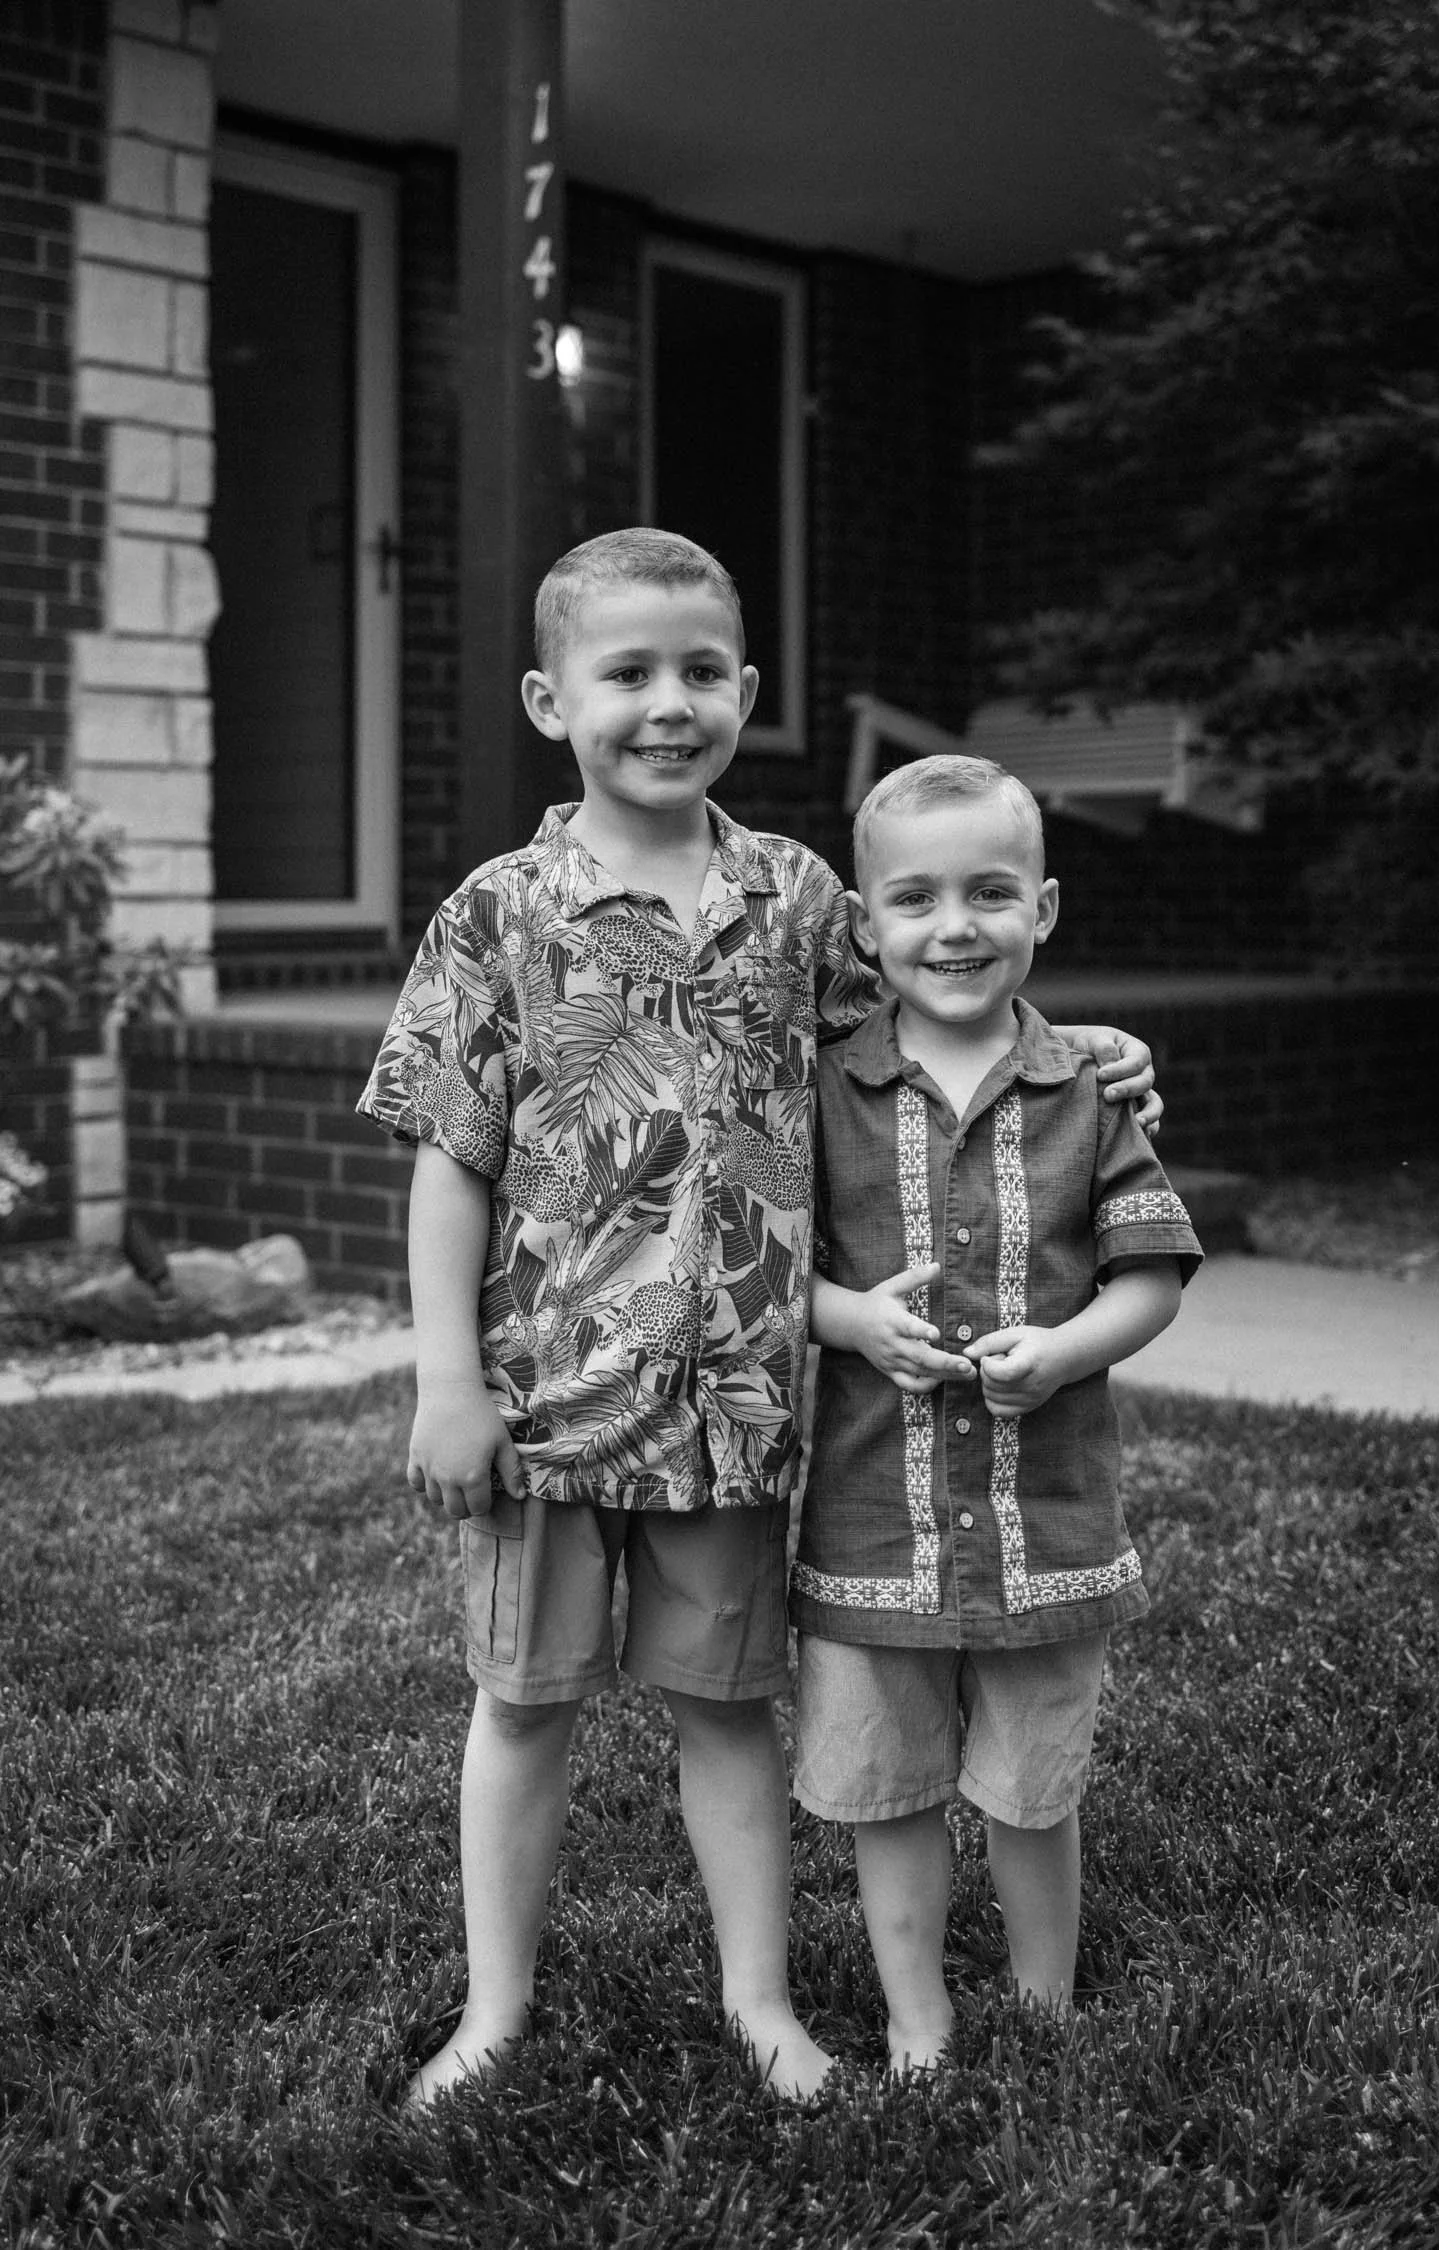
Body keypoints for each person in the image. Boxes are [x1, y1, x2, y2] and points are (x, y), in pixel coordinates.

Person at [356, 530, 1161, 2107]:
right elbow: (450, 1160)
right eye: (629, 672)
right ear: (549, 702)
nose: (670, 703)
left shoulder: (796, 897)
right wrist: (446, 1376)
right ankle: (495, 2009)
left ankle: (760, 1999)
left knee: (726, 1708)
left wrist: (1084, 1051)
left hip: (737, 1404)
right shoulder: (498, 912)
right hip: (546, 1401)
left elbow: (945, 992)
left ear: (747, 688)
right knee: (522, 1705)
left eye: (702, 671)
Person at [789, 753, 1201, 2075]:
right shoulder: (823, 1090)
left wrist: (1067, 1352)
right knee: (886, 1785)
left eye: (991, 893)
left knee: (1032, 1783)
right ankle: (917, 2016)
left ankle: (1041, 2002)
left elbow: (1153, 1274)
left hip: (1046, 1516)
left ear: (1045, 909)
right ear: (865, 926)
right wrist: (852, 1321)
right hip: (875, 1518)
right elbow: (767, 1270)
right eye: (914, 898)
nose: (954, 926)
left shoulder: (1088, 1089)